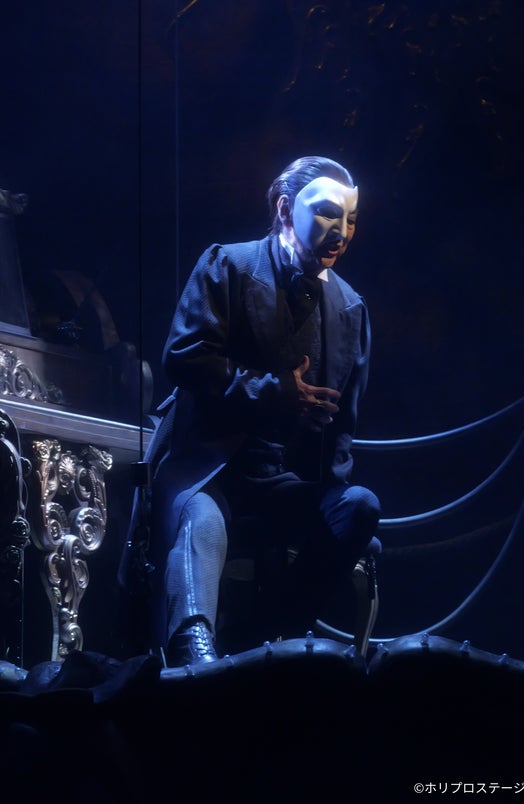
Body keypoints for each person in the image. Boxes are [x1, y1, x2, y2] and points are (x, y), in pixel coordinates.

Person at [129, 155, 381, 668]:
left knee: (359, 505)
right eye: (329, 214)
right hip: (211, 470)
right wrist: (274, 393)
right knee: (200, 522)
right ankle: (196, 655)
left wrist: (329, 487)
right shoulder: (230, 265)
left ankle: (274, 632)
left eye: (351, 219)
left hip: (284, 482)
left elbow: (344, 428)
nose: (342, 232)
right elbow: (184, 357)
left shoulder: (350, 307)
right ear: (285, 210)